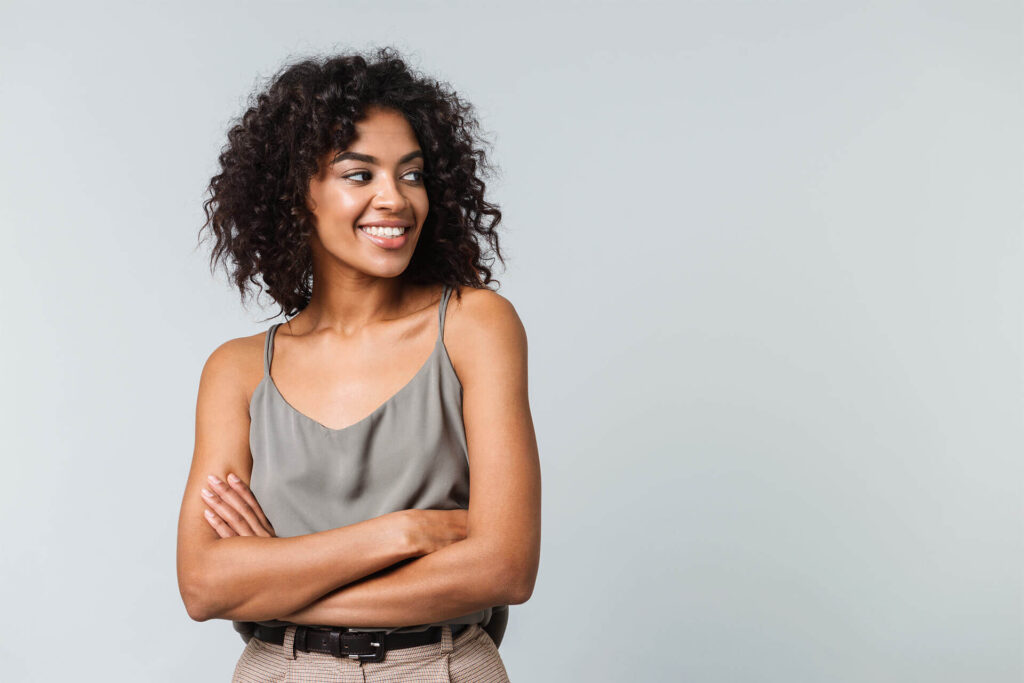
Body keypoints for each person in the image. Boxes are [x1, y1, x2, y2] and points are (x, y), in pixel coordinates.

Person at [175, 47, 541, 682]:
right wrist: (402, 534)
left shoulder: (475, 326)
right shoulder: (235, 371)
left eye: (411, 174)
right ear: (298, 195)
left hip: (442, 667)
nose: (394, 199)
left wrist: (279, 581)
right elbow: (205, 586)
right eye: (358, 174)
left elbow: (504, 568)